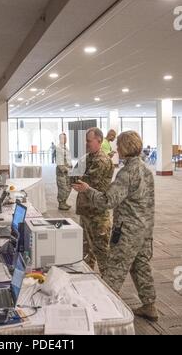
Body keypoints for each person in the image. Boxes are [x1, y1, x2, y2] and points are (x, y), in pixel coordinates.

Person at [73, 131, 158, 322]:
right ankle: (149, 304)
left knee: (114, 271)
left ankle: (103, 310)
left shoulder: (127, 173)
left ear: (126, 147)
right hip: (145, 228)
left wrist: (88, 190)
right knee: (140, 266)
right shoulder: (145, 170)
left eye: (119, 145)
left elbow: (107, 201)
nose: (116, 149)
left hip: (128, 231)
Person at [75, 128, 114, 274]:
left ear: (99, 141)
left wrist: (79, 179)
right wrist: (78, 179)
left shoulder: (102, 160)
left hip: (97, 215)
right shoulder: (88, 157)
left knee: (102, 253)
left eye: (89, 141)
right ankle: (88, 281)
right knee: (85, 251)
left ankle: (110, 289)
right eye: (86, 140)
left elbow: (86, 181)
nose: (86, 144)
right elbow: (73, 176)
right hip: (86, 211)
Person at [56, 133, 72, 210]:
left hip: (68, 171)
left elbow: (68, 158)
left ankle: (64, 202)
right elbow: (59, 163)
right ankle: (61, 203)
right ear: (60, 139)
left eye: (66, 138)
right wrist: (65, 169)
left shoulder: (65, 147)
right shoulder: (59, 148)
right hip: (62, 173)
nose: (65, 140)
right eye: (63, 138)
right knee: (62, 188)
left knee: (69, 186)